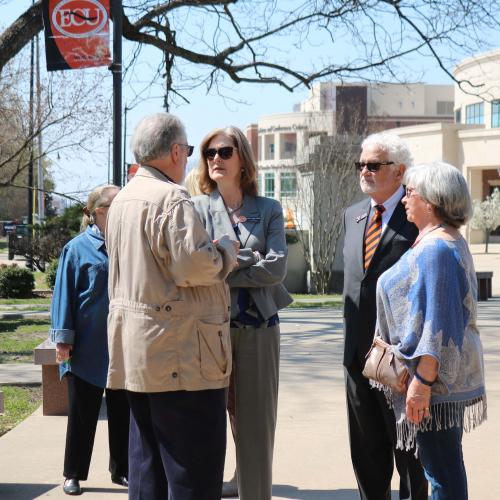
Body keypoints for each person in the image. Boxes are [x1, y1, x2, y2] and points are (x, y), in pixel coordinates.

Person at [105, 113, 238, 500]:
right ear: (176, 151)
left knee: (149, 469)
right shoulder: (170, 197)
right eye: (189, 151)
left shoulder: (124, 197)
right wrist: (226, 252)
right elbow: (194, 267)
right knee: (192, 472)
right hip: (184, 356)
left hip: (140, 355)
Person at [374, 161, 487, 500]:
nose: (405, 198)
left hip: (435, 382)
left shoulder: (437, 248)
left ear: (432, 201)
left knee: (442, 470)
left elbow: (438, 323)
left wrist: (422, 384)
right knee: (443, 465)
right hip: (438, 379)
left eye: (412, 192)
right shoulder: (440, 241)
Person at [192, 126, 292, 500]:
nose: (215, 159)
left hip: (260, 328)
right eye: (208, 153)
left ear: (242, 159)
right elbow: (197, 268)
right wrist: (247, 261)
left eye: (223, 151)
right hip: (209, 328)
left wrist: (229, 261)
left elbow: (278, 269)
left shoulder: (268, 210)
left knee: (255, 427)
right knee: (206, 424)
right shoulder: (197, 208)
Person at [342, 132, 427, 500]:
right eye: (361, 164)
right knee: (366, 456)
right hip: (357, 359)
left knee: (409, 456)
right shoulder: (352, 215)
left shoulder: (418, 216)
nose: (365, 171)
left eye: (374, 165)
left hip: (400, 362)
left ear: (399, 171)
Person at [51, 184, 129, 496]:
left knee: (124, 413)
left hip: (125, 346)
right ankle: (73, 473)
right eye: (113, 205)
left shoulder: (130, 246)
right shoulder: (76, 249)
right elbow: (63, 297)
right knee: (82, 415)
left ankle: (122, 470)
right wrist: (63, 339)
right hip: (87, 349)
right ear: (96, 213)